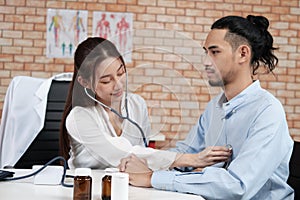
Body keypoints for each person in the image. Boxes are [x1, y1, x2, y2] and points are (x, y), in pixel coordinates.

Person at [119, 15, 294, 199]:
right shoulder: (215, 108)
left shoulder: (267, 111)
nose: (206, 62)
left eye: (215, 52)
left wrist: (152, 177)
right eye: (206, 53)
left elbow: (236, 186)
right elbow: (186, 154)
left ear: (243, 54)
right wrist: (144, 162)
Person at [59, 37, 232, 170]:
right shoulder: (79, 117)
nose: (118, 84)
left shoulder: (136, 105)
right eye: (106, 81)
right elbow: (122, 153)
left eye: (121, 73)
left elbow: (142, 154)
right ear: (85, 82)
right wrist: (192, 159)